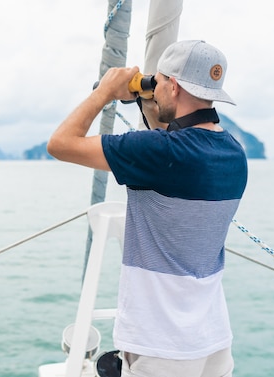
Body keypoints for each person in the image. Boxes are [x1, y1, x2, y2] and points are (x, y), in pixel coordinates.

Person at [47, 40, 248, 377]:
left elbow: (60, 144)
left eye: (160, 81)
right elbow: (172, 154)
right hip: (212, 340)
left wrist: (106, 92)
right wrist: (147, 100)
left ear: (173, 85)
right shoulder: (233, 153)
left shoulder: (159, 153)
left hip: (162, 347)